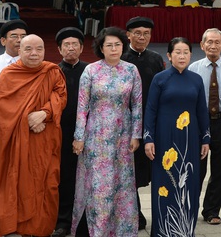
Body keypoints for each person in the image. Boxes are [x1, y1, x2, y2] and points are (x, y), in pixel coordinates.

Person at [0, 34, 67, 237]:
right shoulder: (8, 74)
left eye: (39, 49)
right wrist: (28, 120)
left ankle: (41, 229)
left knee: (47, 183)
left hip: (46, 141)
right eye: (29, 49)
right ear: (19, 51)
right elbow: (4, 111)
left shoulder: (52, 71)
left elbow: (60, 96)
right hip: (17, 143)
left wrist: (44, 114)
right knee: (17, 182)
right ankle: (15, 228)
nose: (34, 54)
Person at [72, 27, 143, 237]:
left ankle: (123, 231)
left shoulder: (131, 70)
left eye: (118, 44)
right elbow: (82, 106)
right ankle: (98, 230)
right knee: (99, 186)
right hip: (96, 135)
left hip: (123, 135)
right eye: (109, 45)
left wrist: (136, 135)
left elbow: (137, 105)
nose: (114, 49)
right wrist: (79, 137)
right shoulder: (91, 70)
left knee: (122, 184)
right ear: (101, 48)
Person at [144, 37, 210, 236]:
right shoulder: (160, 79)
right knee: (165, 183)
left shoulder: (196, 79)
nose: (182, 56)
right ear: (169, 55)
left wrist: (206, 138)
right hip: (164, 139)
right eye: (178, 52)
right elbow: (150, 110)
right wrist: (149, 139)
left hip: (190, 140)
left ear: (191, 55)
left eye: (185, 52)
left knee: (189, 183)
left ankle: (185, 229)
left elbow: (202, 111)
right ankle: (162, 230)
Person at [0, 19, 28, 226]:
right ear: (2, 40)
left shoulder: (35, 64)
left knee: (24, 176)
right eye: (14, 36)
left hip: (27, 130)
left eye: (23, 36)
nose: (19, 40)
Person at [121, 16, 165, 229]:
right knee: (129, 172)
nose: (141, 37)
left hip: (151, 124)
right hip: (125, 125)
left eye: (146, 33)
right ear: (128, 34)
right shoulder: (119, 57)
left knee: (154, 169)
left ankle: (161, 212)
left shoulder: (156, 59)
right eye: (137, 33)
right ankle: (134, 213)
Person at [188, 28, 221, 225]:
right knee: (197, 168)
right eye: (209, 42)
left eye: (217, 42)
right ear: (202, 45)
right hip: (199, 123)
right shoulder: (193, 68)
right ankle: (190, 208)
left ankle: (212, 210)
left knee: (219, 169)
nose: (213, 45)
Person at [53, 27, 89, 237]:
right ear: (59, 49)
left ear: (82, 47)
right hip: (62, 133)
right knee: (65, 177)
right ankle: (63, 222)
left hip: (88, 134)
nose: (71, 48)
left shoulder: (91, 70)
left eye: (75, 44)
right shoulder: (54, 71)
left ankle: (85, 221)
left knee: (86, 178)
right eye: (66, 44)